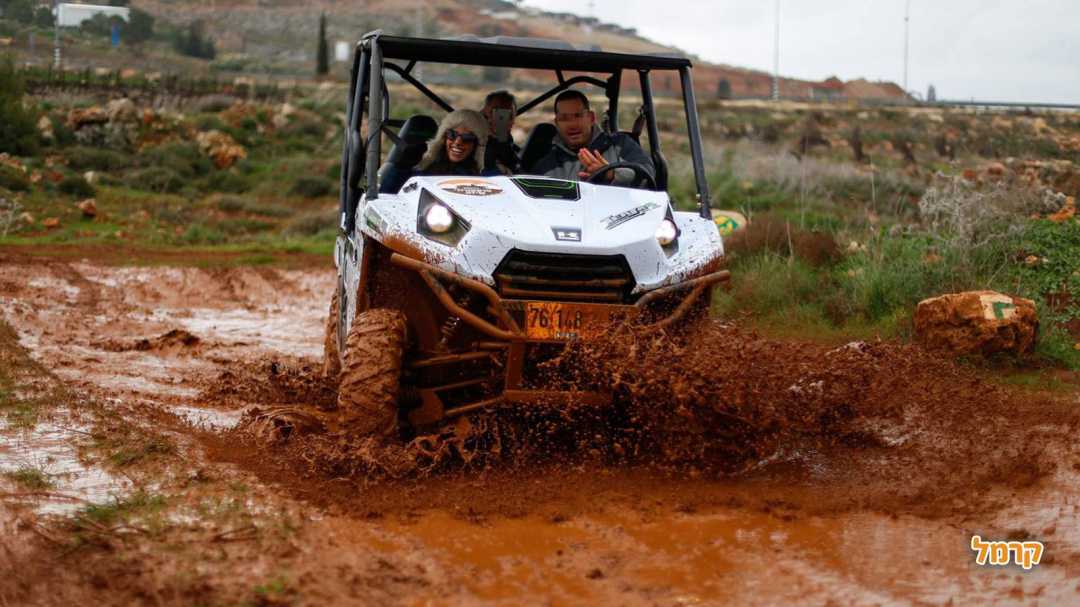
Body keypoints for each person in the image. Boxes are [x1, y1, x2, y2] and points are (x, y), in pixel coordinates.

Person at [531, 90, 655, 187]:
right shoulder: (545, 167)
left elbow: (648, 174)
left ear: (591, 118)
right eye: (564, 118)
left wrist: (612, 174)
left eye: (578, 116)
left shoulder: (620, 146)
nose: (572, 124)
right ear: (557, 123)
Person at [379, 109, 498, 194]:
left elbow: (498, 196)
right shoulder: (423, 166)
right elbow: (385, 198)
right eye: (452, 135)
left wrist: (490, 168)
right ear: (443, 137)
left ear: (477, 144)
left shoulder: (483, 174)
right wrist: (401, 167)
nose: (457, 142)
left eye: (467, 138)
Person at [481, 90, 520, 174]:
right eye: (494, 111)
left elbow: (514, 165)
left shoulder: (504, 139)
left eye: (507, 115)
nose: (500, 117)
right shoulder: (469, 137)